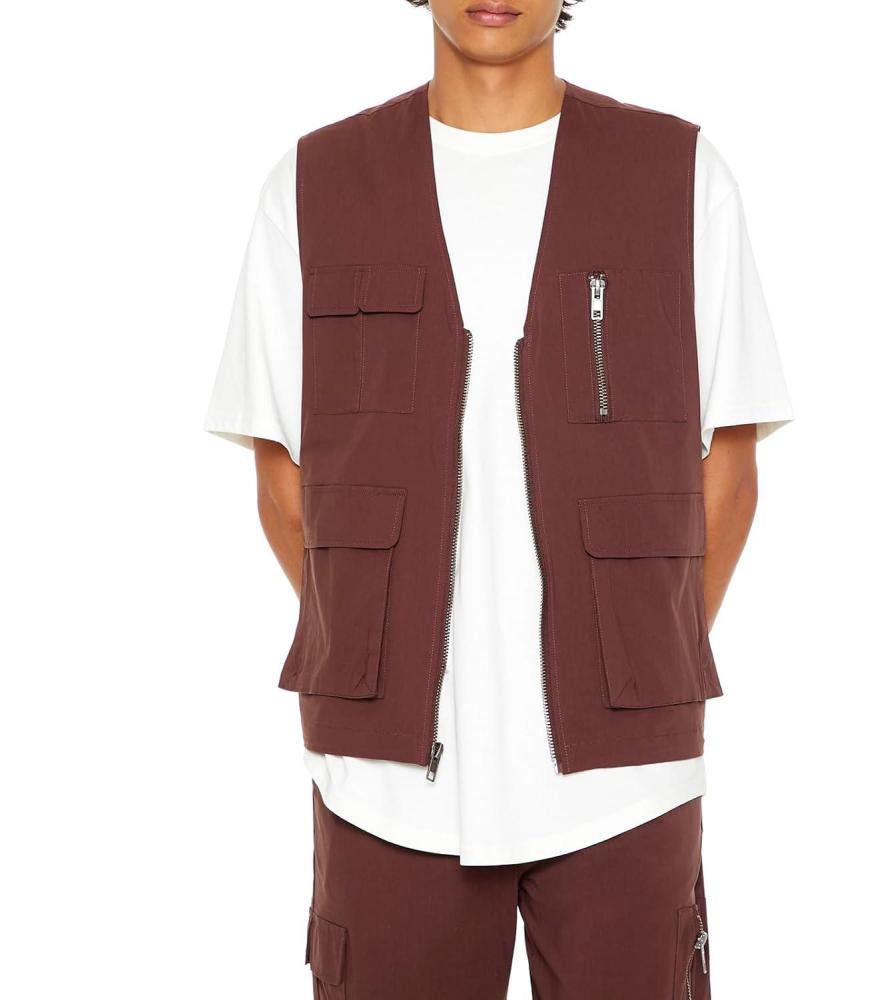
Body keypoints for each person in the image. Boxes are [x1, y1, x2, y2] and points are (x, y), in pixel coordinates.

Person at [205, 1, 793, 995]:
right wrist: (383, 649)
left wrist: (637, 657)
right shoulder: (311, 184)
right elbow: (282, 478)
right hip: (387, 787)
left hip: (627, 784)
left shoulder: (682, 175)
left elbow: (727, 473)